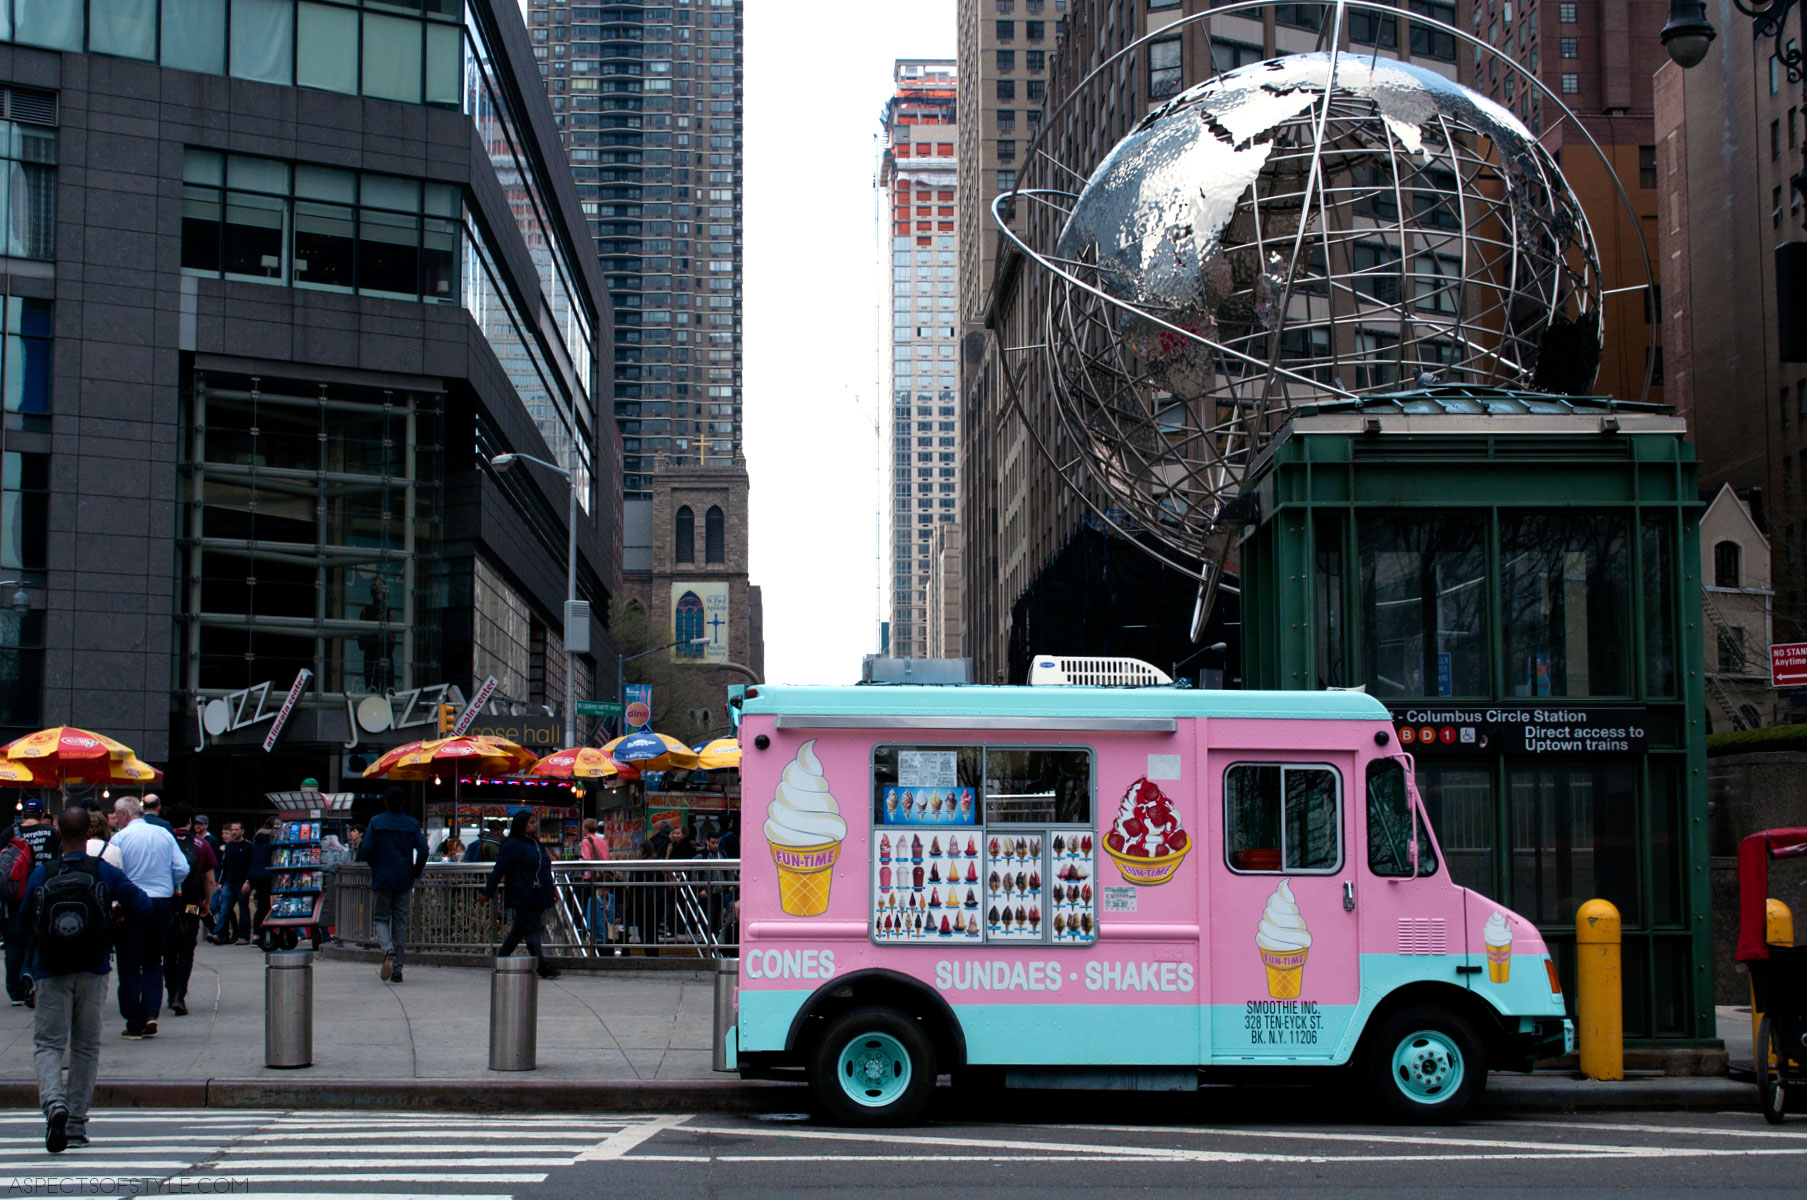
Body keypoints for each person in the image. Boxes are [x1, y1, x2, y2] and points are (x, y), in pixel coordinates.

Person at [24, 806, 151, 1154]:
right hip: (94, 967)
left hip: (50, 968)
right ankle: (77, 1123)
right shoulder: (104, 872)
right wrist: (116, 915)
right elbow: (143, 905)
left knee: (49, 1044)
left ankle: (54, 1105)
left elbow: (24, 920)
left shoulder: (43, 873)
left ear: (58, 834)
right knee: (85, 1046)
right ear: (90, 834)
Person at [108, 797, 188, 1039]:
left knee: (129, 964)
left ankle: (134, 1021)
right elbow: (182, 868)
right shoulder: (163, 834)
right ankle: (151, 1012)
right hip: (160, 903)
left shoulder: (119, 838)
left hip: (130, 903)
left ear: (123, 815)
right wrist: (171, 884)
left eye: (115, 815)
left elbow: (112, 871)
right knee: (154, 961)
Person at [358, 786, 428, 983]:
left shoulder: (376, 822)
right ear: (404, 802)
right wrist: (415, 871)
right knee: (400, 923)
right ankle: (397, 970)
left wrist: (376, 866)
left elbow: (366, 849)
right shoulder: (412, 824)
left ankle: (387, 948)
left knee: (381, 918)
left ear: (385, 802)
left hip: (382, 877)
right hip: (404, 878)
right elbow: (423, 850)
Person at [482, 810, 559, 979]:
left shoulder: (534, 844)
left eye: (534, 823)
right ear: (522, 825)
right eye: (531, 823)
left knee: (519, 929)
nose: (534, 826)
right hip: (523, 892)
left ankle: (501, 959)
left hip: (536, 891)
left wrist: (551, 889)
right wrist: (488, 891)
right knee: (533, 928)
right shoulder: (513, 844)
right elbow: (499, 869)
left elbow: (545, 868)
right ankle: (540, 965)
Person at [2, 799, 55, 1006]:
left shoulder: (10, 833)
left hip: (14, 896)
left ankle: (15, 992)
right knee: (39, 940)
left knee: (14, 944)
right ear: (42, 815)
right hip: (44, 893)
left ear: (23, 815)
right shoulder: (51, 833)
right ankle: (32, 978)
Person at [165, 809, 217, 1017]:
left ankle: (170, 991)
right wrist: (207, 903)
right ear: (189, 822)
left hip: (168, 904)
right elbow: (210, 879)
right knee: (187, 949)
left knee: (167, 949)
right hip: (191, 905)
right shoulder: (201, 844)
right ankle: (180, 993)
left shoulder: (165, 841)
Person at [211, 823, 252, 945]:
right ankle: (218, 933)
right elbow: (225, 865)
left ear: (242, 831)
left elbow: (251, 865)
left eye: (236, 830)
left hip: (242, 882)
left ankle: (244, 936)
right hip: (229, 882)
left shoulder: (248, 847)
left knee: (243, 909)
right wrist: (221, 881)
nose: (234, 832)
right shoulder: (229, 847)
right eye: (232, 830)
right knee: (224, 908)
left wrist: (248, 881)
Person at [578, 819, 612, 947]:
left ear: (586, 828)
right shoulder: (603, 841)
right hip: (603, 877)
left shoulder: (586, 841)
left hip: (591, 877)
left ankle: (589, 932)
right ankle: (606, 932)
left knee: (588, 905)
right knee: (603, 905)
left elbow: (586, 859)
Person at [246, 818, 278, 947]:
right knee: (265, 906)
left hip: (256, 875)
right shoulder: (272, 842)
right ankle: (260, 933)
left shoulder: (256, 841)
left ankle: (257, 933)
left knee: (261, 905)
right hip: (267, 875)